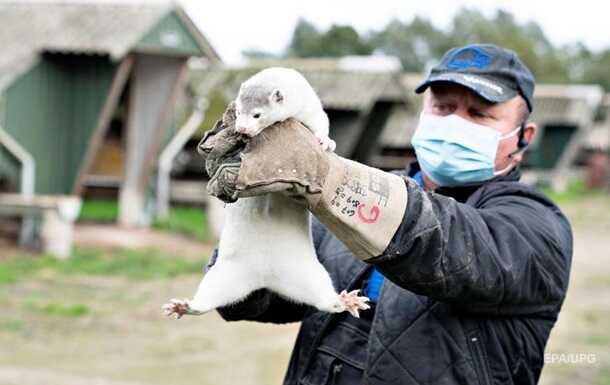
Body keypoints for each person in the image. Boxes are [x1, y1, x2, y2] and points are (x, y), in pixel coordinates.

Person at [201, 44, 573, 385]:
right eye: (443, 107)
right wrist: (256, 215)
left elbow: (447, 242)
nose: (455, 123)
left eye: (478, 113)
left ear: (525, 137)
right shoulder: (349, 197)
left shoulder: (536, 226)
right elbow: (262, 298)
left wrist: (324, 176)